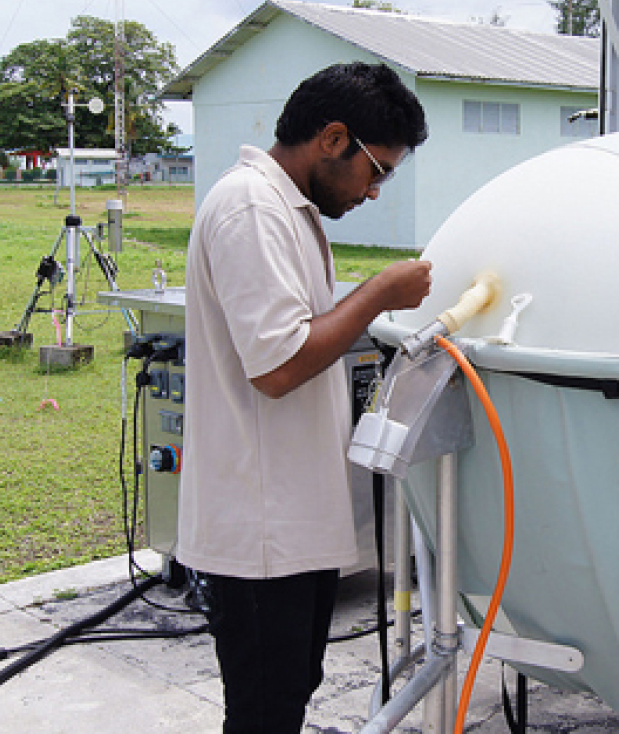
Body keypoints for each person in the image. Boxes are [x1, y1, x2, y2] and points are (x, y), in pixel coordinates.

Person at [179, 62, 433, 734]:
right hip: (262, 532)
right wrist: (377, 292)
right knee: (266, 711)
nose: (375, 191)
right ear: (332, 139)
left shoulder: (288, 209)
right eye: (376, 169)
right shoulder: (252, 207)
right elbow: (280, 365)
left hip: (291, 524)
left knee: (286, 696)